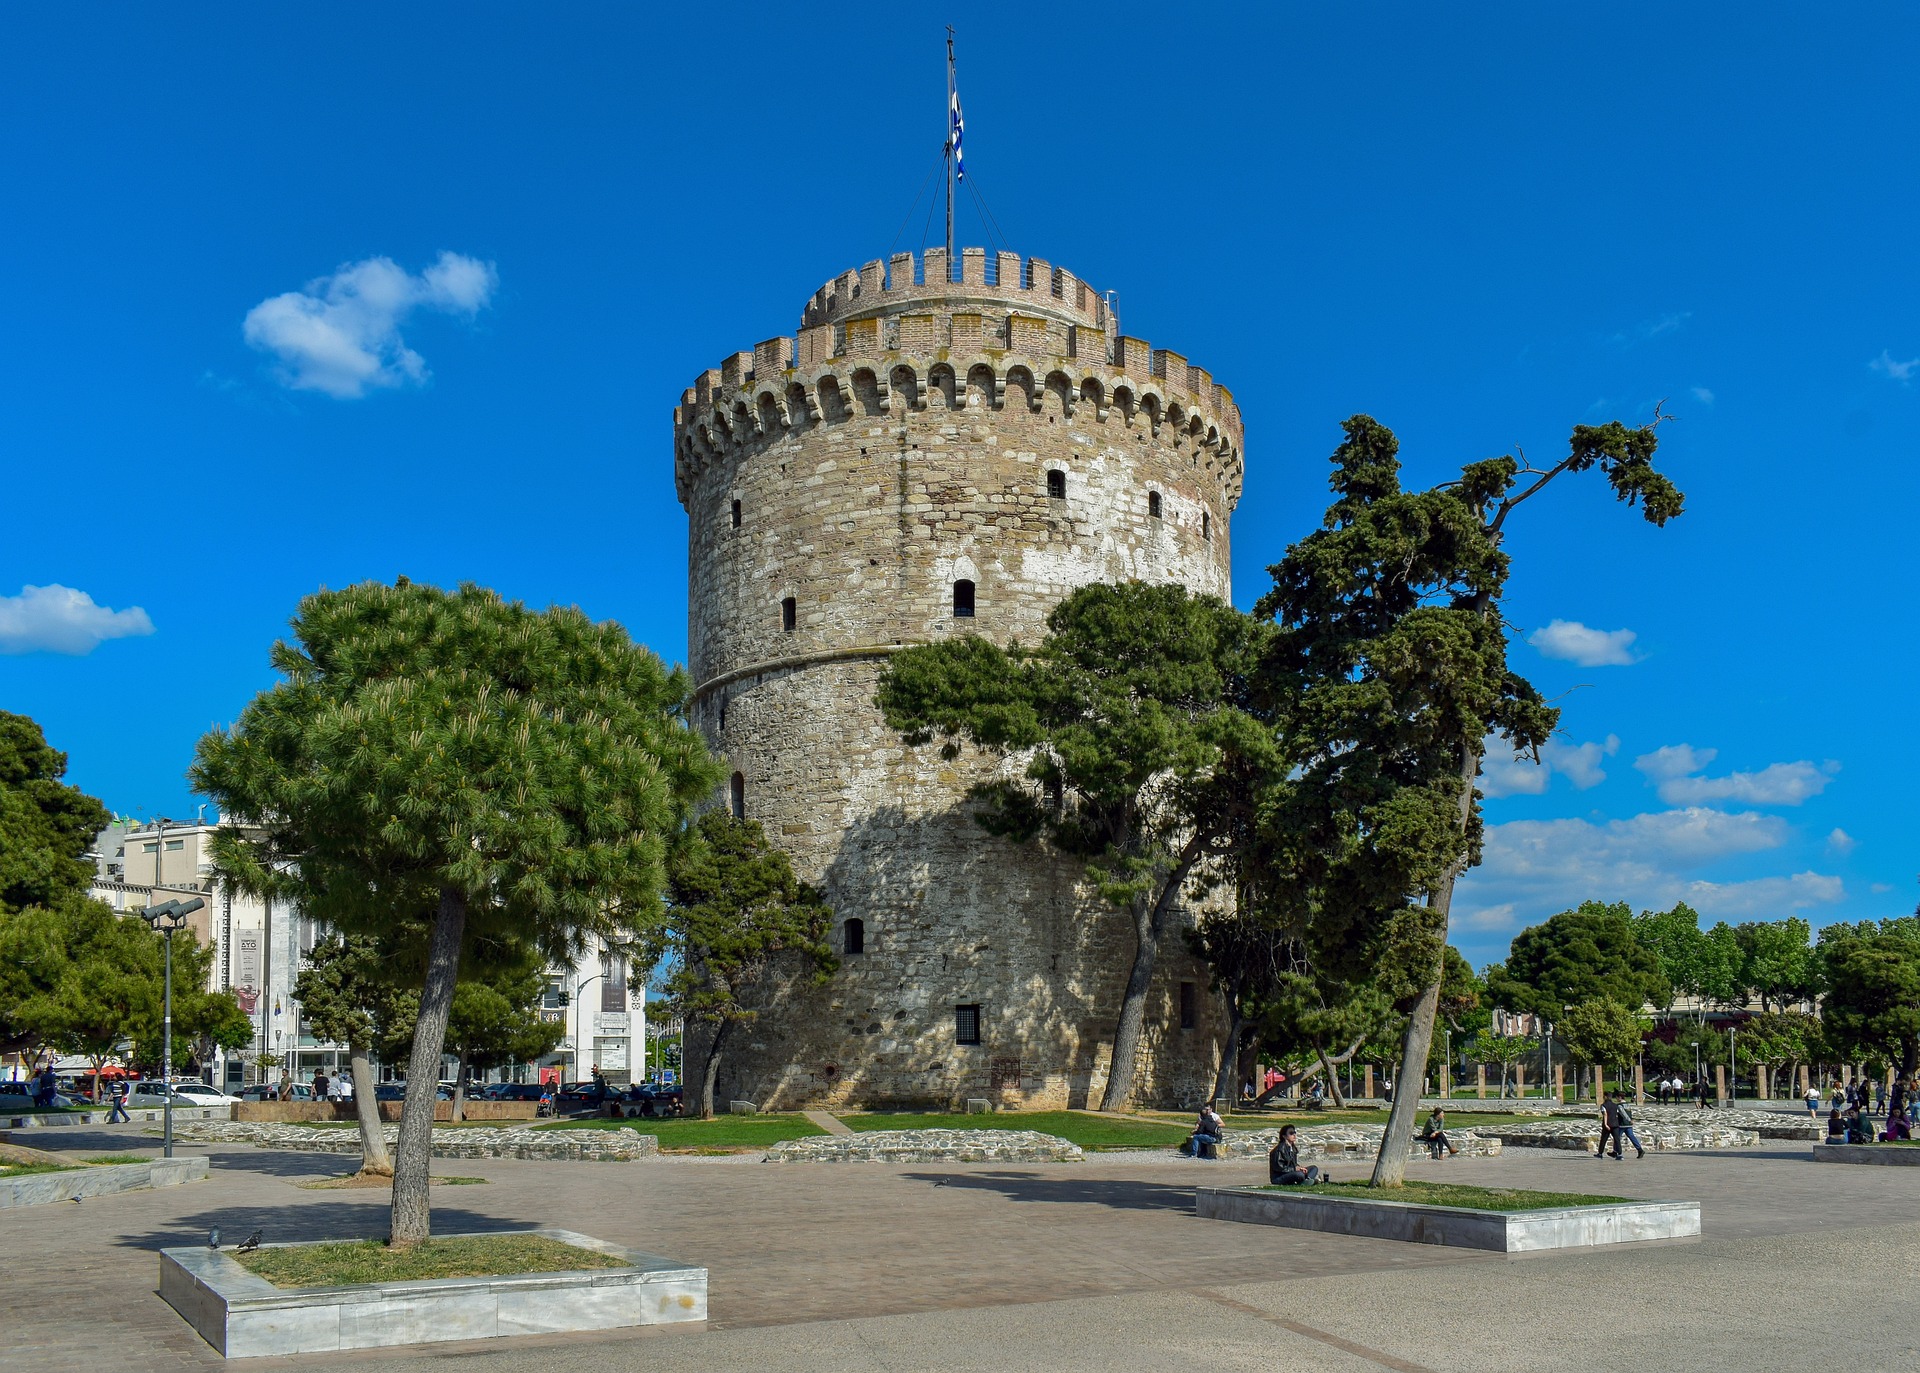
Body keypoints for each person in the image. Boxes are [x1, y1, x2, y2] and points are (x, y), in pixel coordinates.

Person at [1608, 1094, 1646, 1159]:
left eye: (1617, 1097)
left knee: (1617, 1137)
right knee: (1632, 1137)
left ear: (1619, 1097)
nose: (1616, 1099)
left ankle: (1615, 1151)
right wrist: (1630, 1120)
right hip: (1628, 1124)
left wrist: (1629, 1119)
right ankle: (1640, 1149)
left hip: (1622, 1124)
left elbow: (1623, 1113)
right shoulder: (1628, 1105)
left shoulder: (1619, 1105)